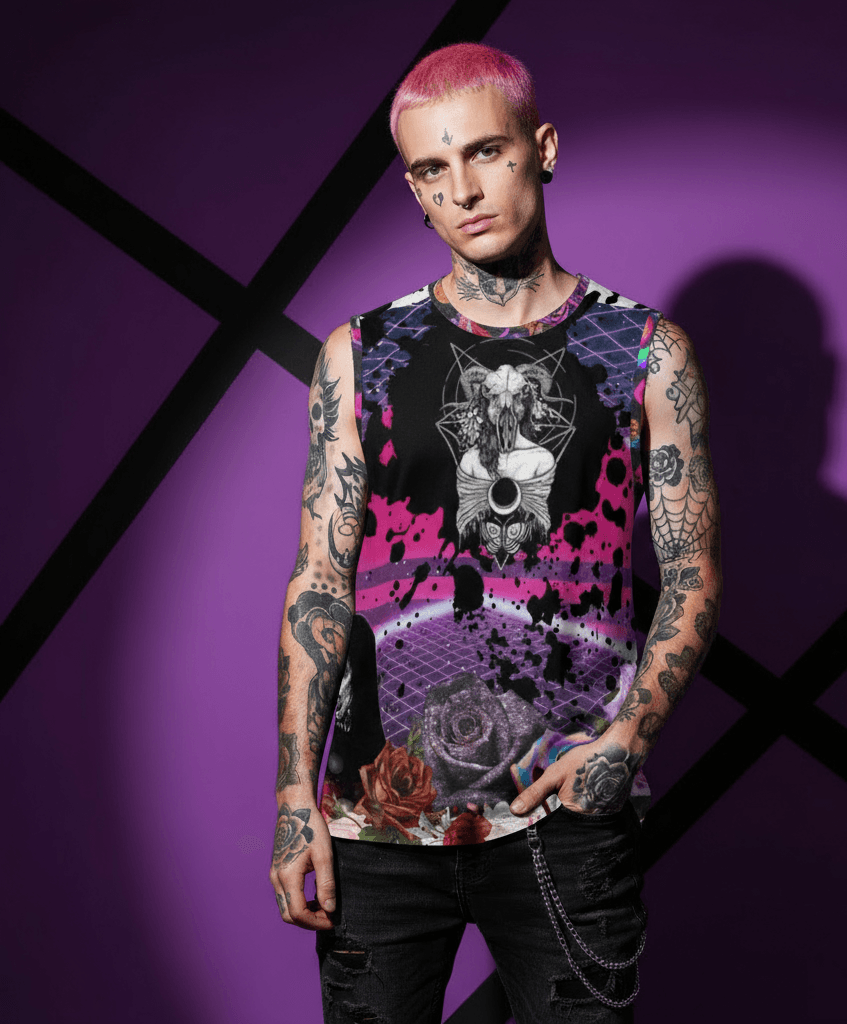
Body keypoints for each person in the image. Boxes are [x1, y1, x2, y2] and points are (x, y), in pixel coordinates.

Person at [269, 42, 721, 1024]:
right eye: (431, 169)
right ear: (413, 189)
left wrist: (628, 739)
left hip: (563, 816)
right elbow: (319, 582)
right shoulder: (362, 355)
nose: (463, 191)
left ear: (541, 148)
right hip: (378, 824)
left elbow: (690, 573)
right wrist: (294, 795)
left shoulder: (643, 351)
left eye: (485, 152)